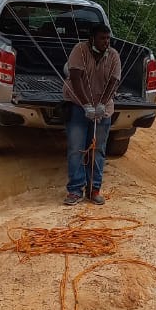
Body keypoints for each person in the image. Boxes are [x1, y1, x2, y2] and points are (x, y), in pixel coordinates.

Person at [62, 22, 121, 206]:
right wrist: (86, 105)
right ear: (92, 38)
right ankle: (75, 190)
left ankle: (94, 189)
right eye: (102, 38)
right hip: (78, 105)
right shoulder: (79, 50)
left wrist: (102, 104)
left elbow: (113, 82)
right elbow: (75, 78)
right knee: (76, 148)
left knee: (98, 150)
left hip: (103, 109)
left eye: (108, 38)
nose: (106, 42)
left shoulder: (113, 55)